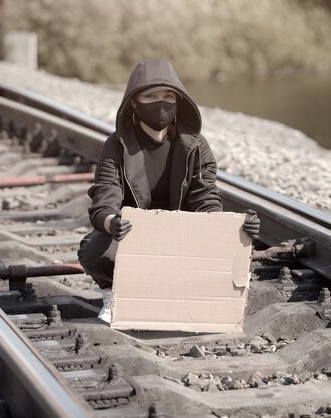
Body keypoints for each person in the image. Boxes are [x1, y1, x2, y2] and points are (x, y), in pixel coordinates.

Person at [77, 59, 260, 318]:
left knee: (233, 243)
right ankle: (113, 294)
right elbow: (104, 199)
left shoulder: (195, 145)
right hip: (133, 235)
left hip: (181, 235)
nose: (160, 103)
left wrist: (234, 226)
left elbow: (205, 197)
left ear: (179, 100)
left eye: (168, 95)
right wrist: (111, 223)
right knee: (96, 252)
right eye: (150, 95)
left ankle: (187, 293)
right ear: (134, 101)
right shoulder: (117, 145)